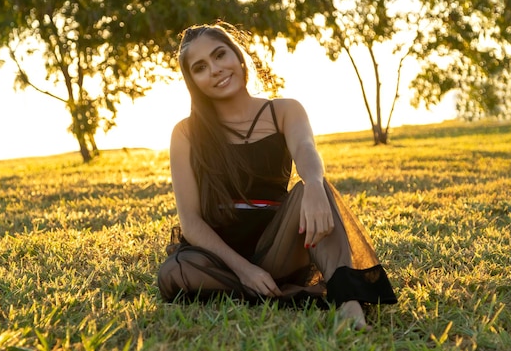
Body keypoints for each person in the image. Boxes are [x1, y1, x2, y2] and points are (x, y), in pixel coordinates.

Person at [157, 21, 397, 330]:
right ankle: (268, 289)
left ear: (239, 57)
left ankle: (348, 304)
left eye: (220, 55)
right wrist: (245, 270)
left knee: (317, 190)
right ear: (193, 81)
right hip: (220, 256)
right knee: (176, 273)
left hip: (277, 244)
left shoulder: (283, 110)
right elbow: (190, 223)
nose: (215, 69)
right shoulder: (186, 132)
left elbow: (306, 148)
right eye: (200, 67)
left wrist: (312, 184)